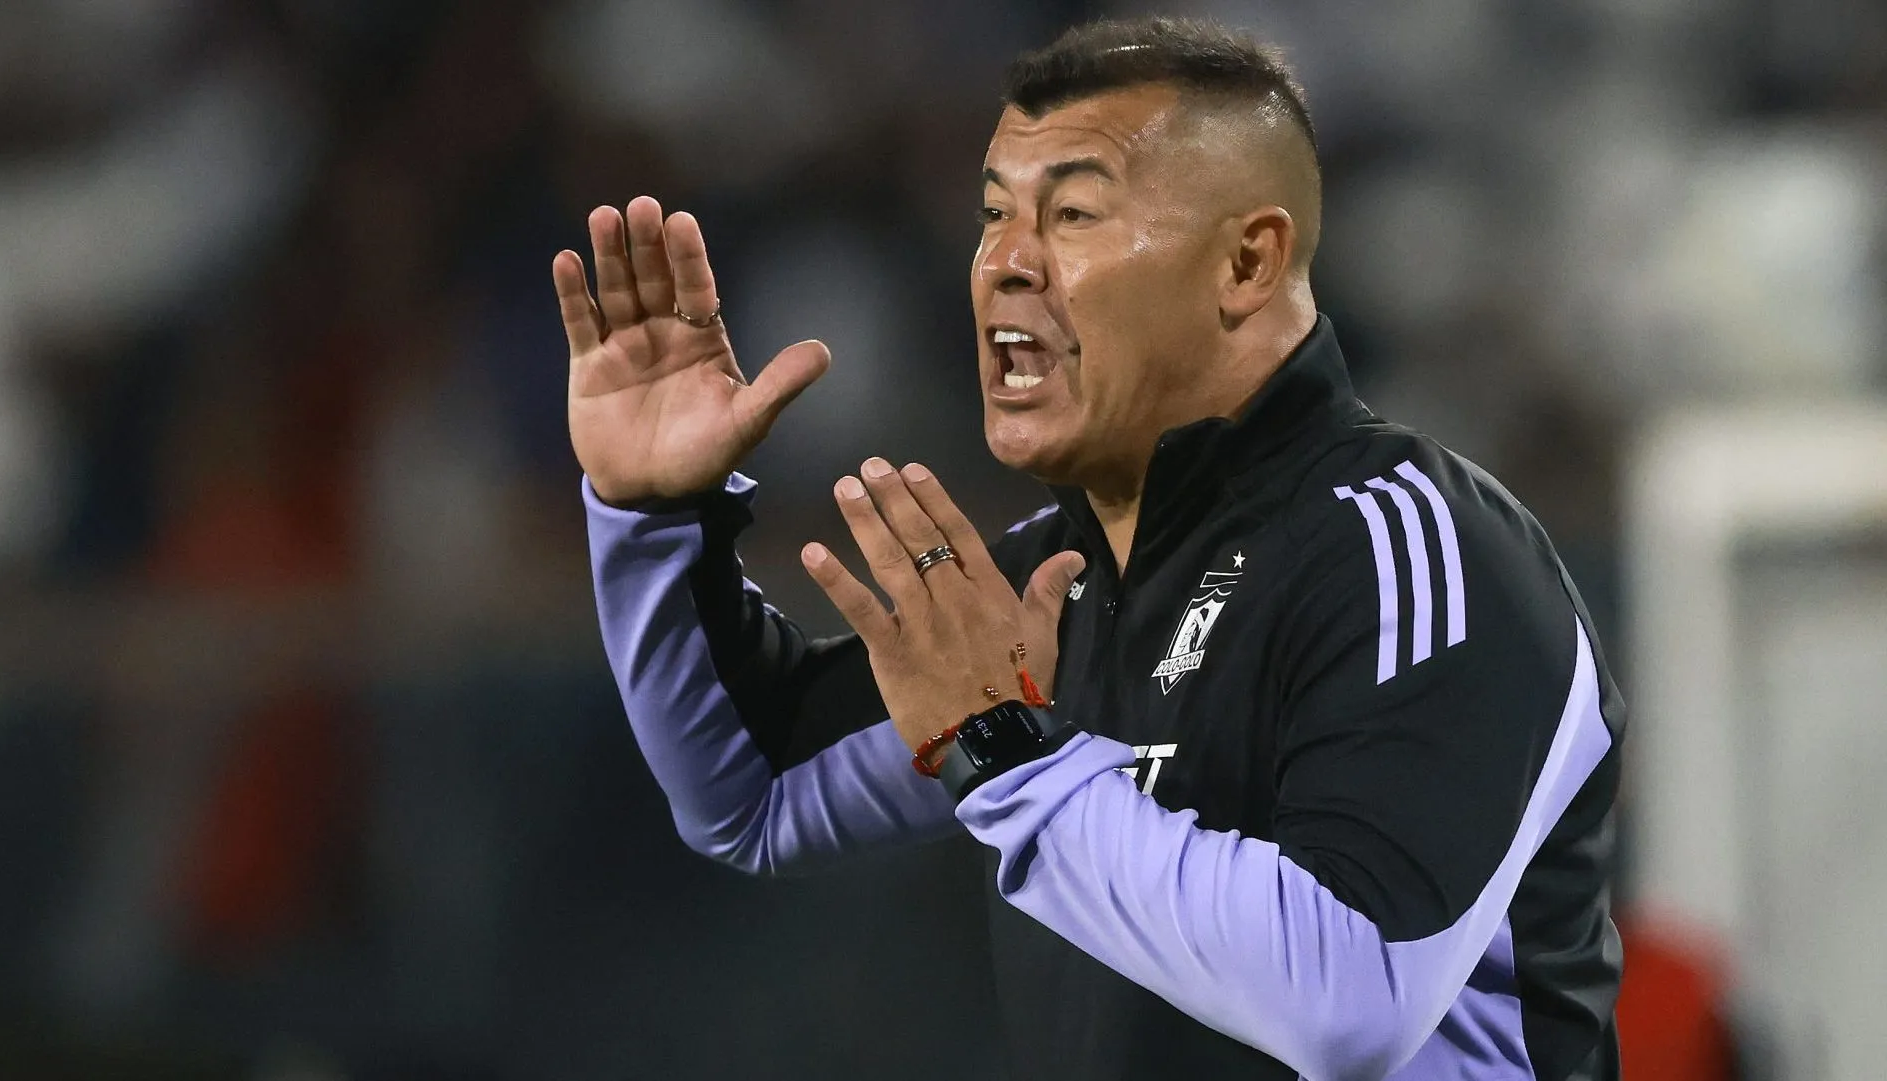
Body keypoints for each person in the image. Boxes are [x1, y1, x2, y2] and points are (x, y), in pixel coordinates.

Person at [554, 16, 1623, 1081]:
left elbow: (1353, 996)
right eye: (990, 216)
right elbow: (754, 787)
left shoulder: (1415, 548)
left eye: (1070, 213)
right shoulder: (1060, 584)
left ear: (1247, 261)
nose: (1004, 265)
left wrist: (1003, 750)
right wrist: (656, 517)